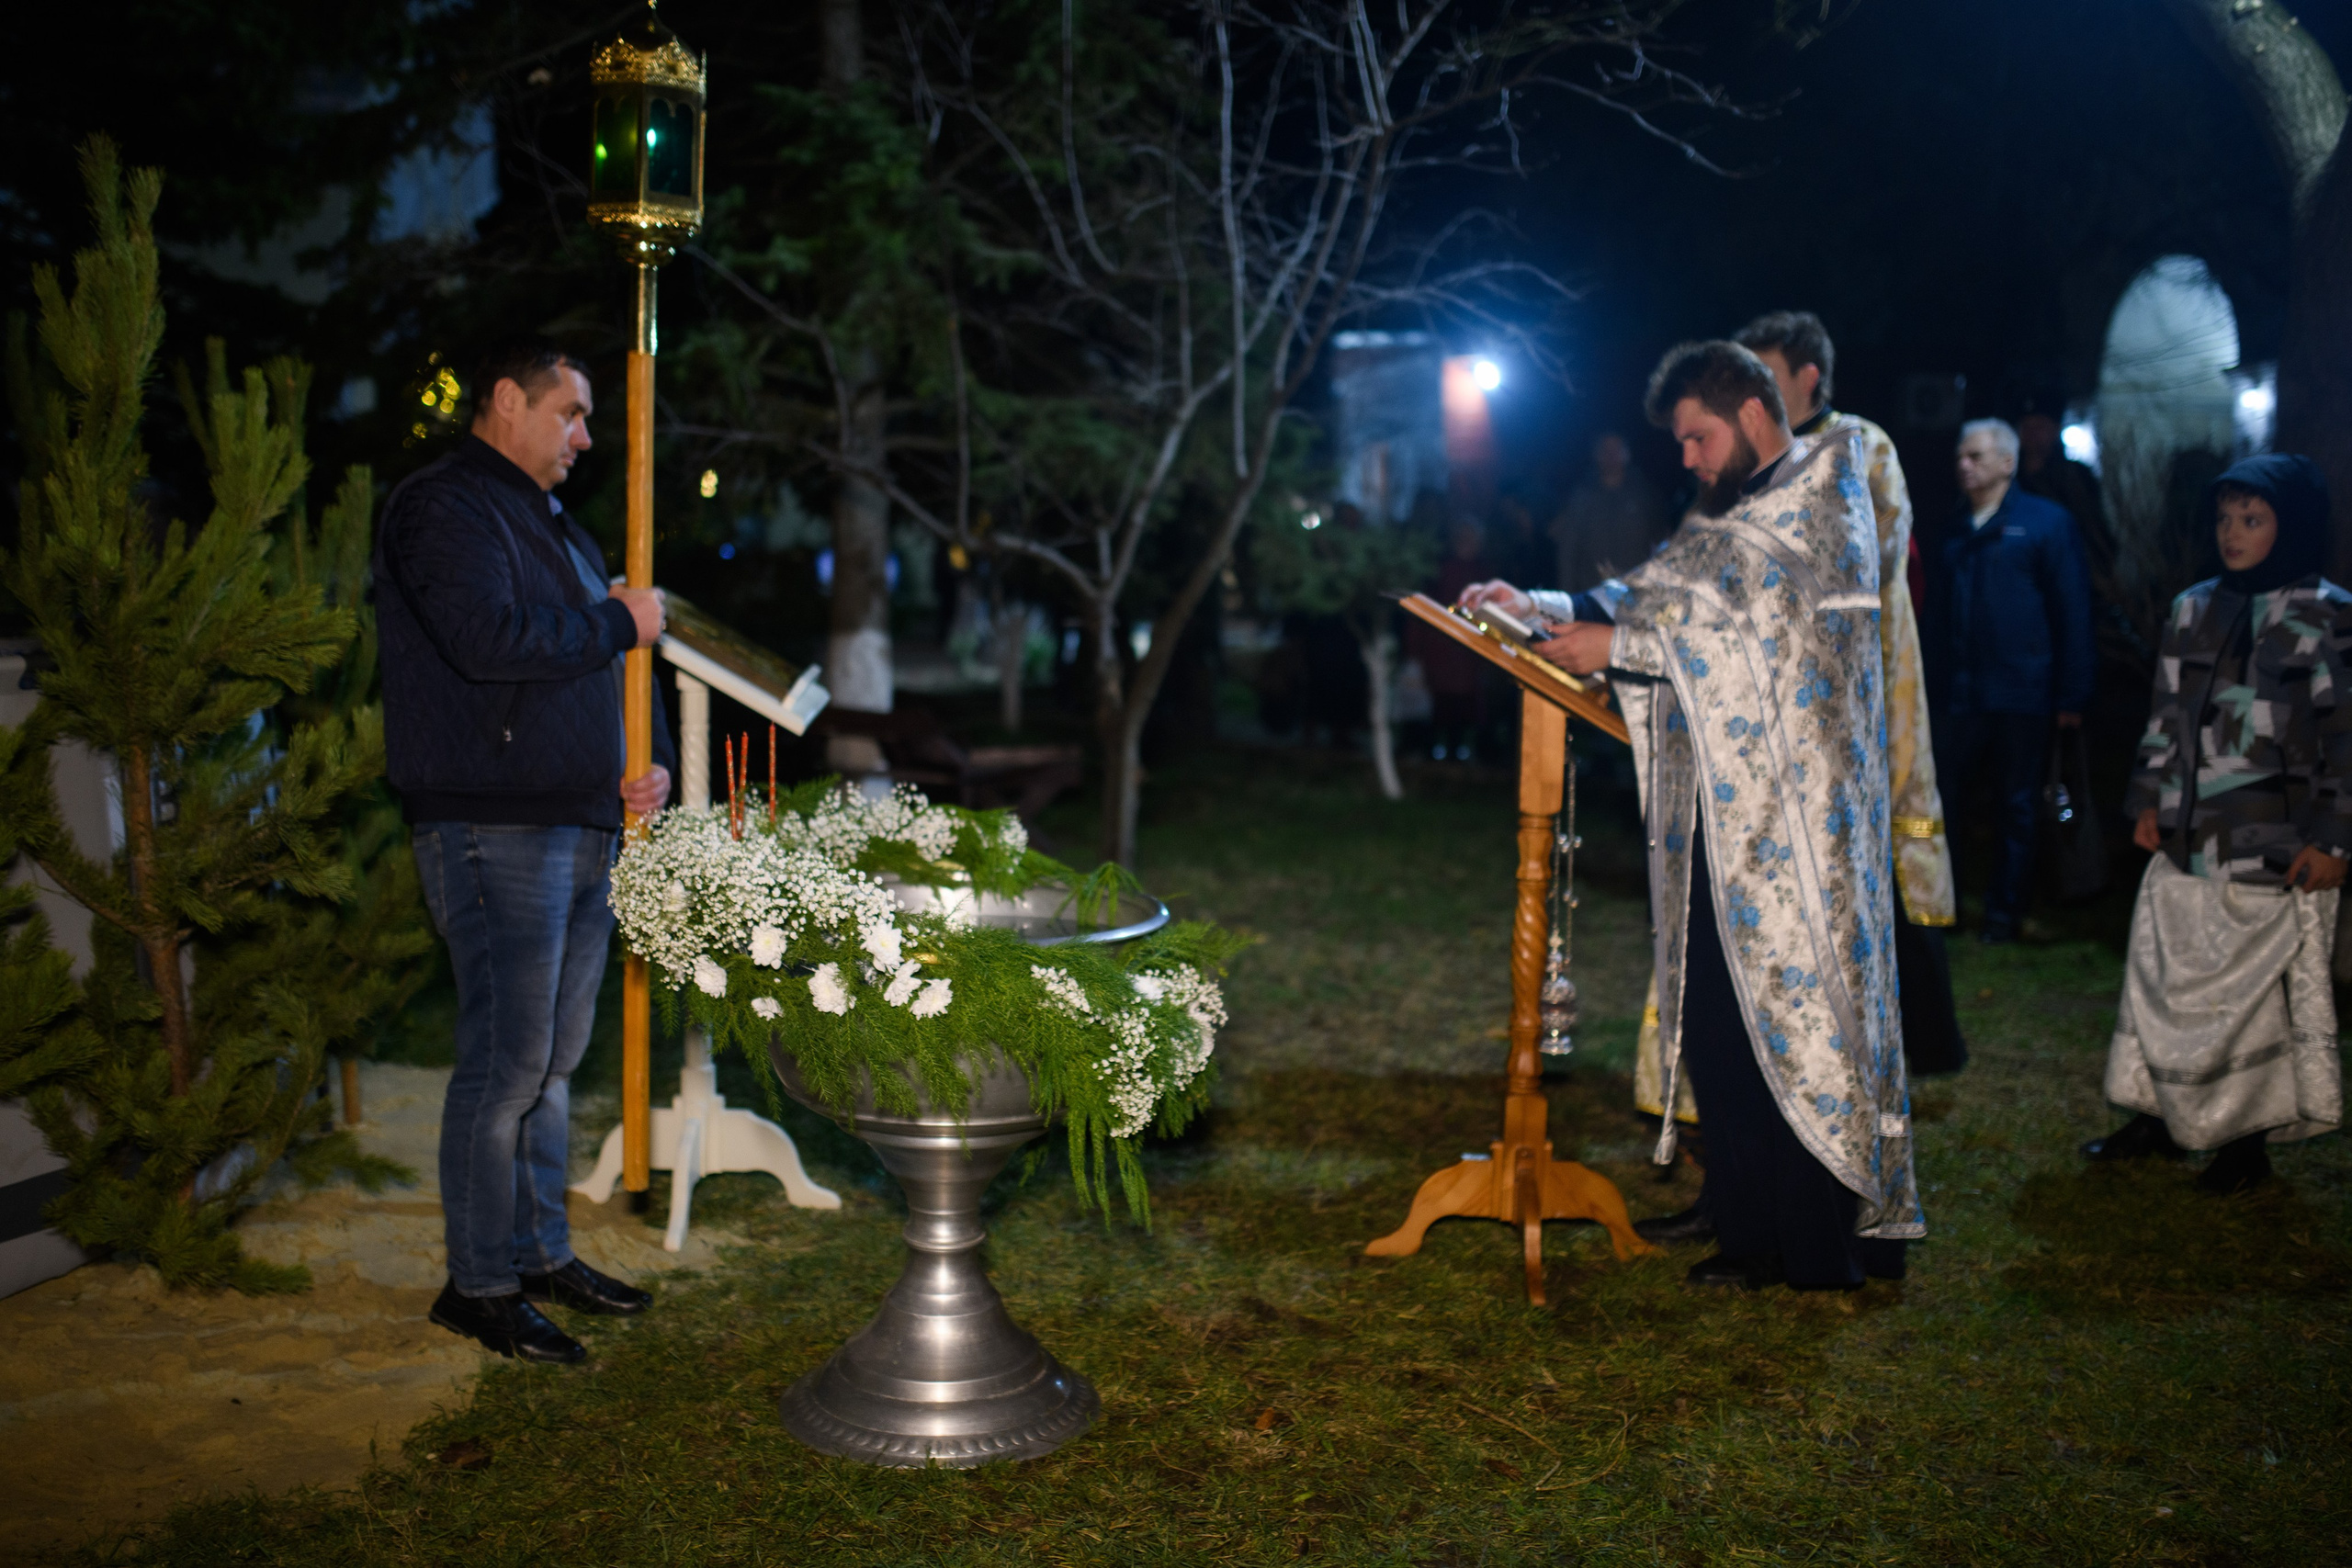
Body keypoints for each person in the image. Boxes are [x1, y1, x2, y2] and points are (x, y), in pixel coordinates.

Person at [1463, 342, 1924, 1291]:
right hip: (1723, 817)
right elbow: (1652, 597)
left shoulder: (1830, 493)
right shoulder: (1730, 511)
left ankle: (1820, 1245)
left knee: (1796, 1030)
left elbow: (1786, 643)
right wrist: (1538, 604)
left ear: (1755, 411)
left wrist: (1623, 643)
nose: (1686, 460)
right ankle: (1751, 1232)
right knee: (1719, 1025)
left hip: (1803, 835)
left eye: (1697, 437)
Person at [375, 341, 678, 1364]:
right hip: (491, 822)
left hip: (575, 817)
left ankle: (540, 1254)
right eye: (571, 414)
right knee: (505, 1066)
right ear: (506, 399)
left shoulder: (553, 522)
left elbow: (602, 671)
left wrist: (641, 768)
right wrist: (614, 618)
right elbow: (487, 639)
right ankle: (480, 1284)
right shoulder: (446, 506)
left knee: (552, 1064)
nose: (586, 438)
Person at [2088, 455, 2346, 1192]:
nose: (2232, 534)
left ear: (2289, 525)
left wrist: (2334, 839)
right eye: (2225, 519)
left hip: (2276, 843)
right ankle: (2157, 1112)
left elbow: (2347, 738)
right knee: (2164, 976)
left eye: (2253, 519)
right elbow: (2166, 716)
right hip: (2188, 836)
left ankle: (2244, 1137)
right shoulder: (2194, 607)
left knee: (2248, 999)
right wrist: (2147, 799)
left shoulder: (2329, 614)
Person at [1932, 418, 2096, 944]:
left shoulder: (2045, 524)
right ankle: (1946, 905)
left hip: (2024, 693)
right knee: (1948, 798)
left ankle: (2004, 913)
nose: (1964, 464)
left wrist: (2071, 694)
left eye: (1976, 456)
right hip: (1963, 693)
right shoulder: (1955, 530)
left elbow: (2072, 610)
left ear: (2007, 462)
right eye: (1961, 455)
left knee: (2018, 803)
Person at [1550, 433, 1664, 592]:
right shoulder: (1583, 496)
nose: (1611, 455)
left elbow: (1661, 544)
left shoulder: (1644, 495)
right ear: (1597, 454)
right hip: (1594, 593)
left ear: (1627, 453)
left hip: (1635, 592)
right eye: (1606, 449)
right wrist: (1568, 596)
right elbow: (1569, 550)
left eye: (1617, 449)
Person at [2015, 400, 2111, 566]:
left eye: (2040, 426)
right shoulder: (2011, 477)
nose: (2032, 433)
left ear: (2055, 429)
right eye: (2026, 426)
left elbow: (2092, 526)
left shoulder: (2076, 475)